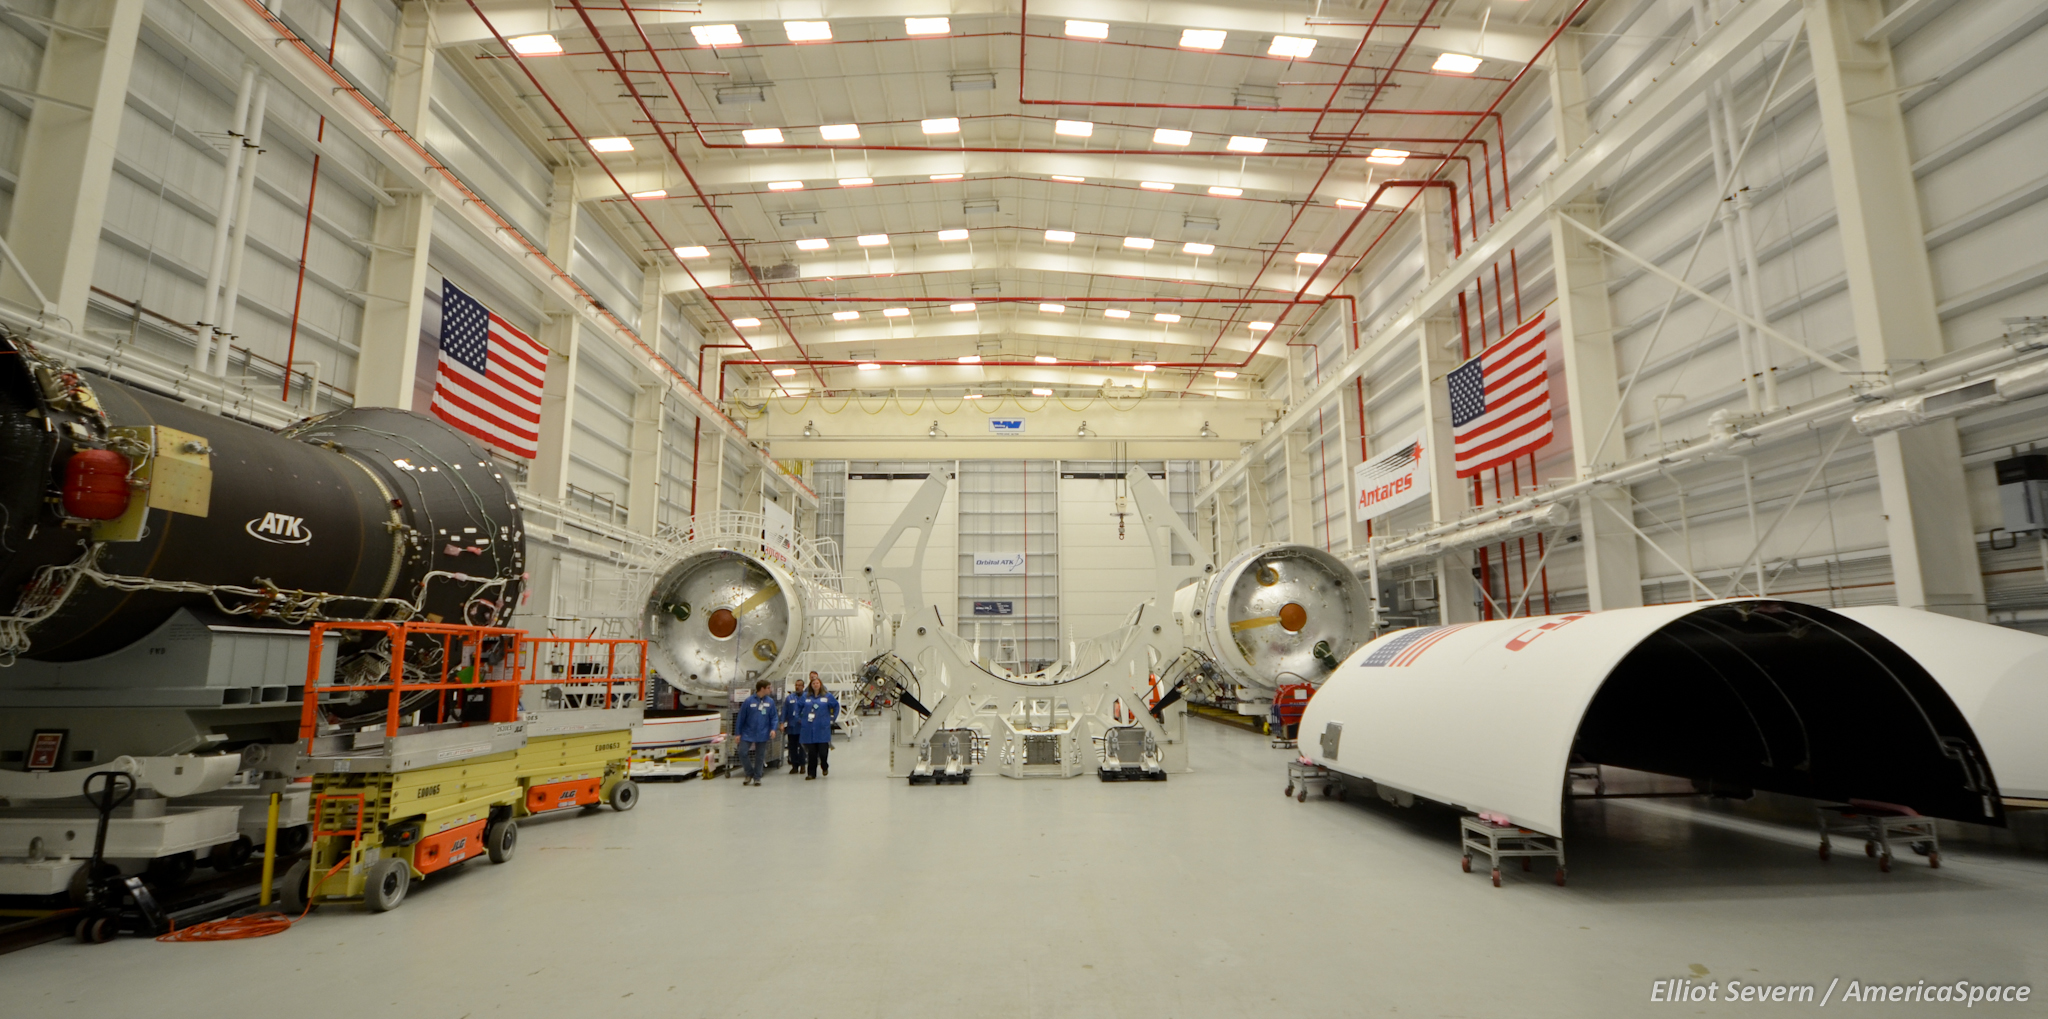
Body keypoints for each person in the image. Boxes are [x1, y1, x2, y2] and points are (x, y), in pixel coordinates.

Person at [734, 680, 778, 785]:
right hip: (748, 732)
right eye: (768, 687)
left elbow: (774, 717)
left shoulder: (770, 702)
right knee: (742, 752)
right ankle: (749, 773)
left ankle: (757, 777)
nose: (770, 689)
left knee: (760, 755)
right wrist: (738, 733)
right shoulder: (748, 701)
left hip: (763, 732)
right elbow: (741, 718)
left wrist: (773, 729)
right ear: (762, 688)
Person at [799, 674, 839, 779]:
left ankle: (824, 766)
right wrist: (799, 719)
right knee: (811, 753)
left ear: (820, 684)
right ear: (811, 685)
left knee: (823, 753)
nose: (815, 685)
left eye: (817, 683)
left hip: (822, 729)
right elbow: (798, 707)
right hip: (809, 729)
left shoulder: (827, 696)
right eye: (813, 683)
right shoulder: (805, 696)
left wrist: (832, 718)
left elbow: (836, 706)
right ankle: (811, 774)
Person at [782, 677, 809, 775]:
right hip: (792, 727)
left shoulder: (807, 697)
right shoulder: (790, 698)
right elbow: (785, 711)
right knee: (792, 748)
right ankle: (794, 766)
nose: (797, 687)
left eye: (799, 685)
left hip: (803, 727)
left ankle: (802, 765)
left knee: (802, 747)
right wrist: (782, 723)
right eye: (796, 685)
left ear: (803, 686)